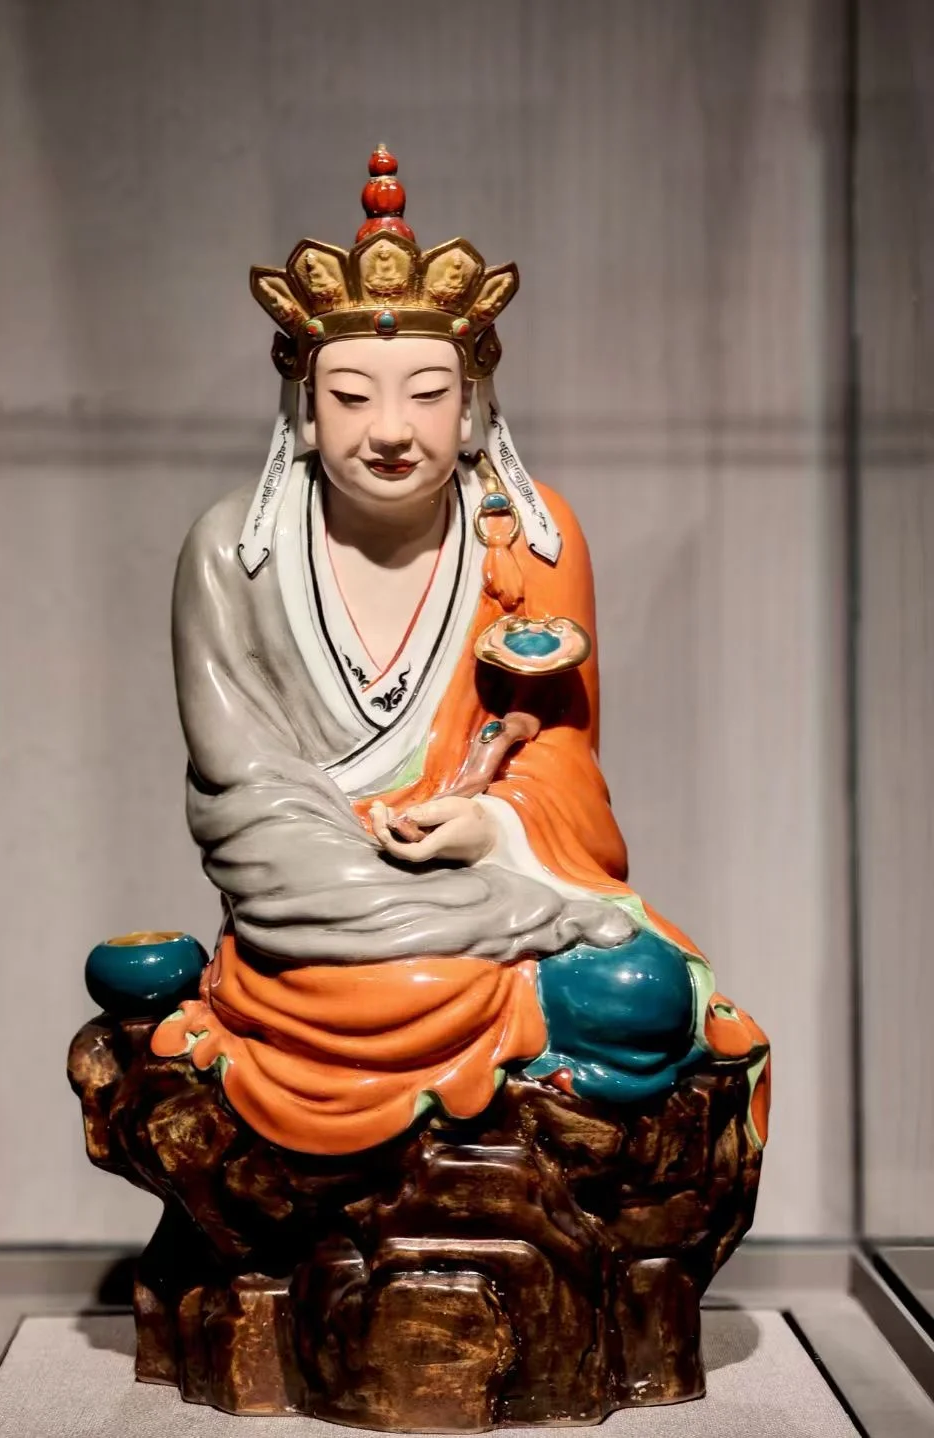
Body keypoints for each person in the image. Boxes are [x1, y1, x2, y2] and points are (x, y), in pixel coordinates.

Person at [152, 147, 769, 1157]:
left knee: (643, 991)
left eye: (427, 394)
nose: (391, 431)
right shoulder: (234, 551)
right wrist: (398, 897)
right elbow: (242, 793)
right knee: (376, 980)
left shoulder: (532, 539)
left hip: (487, 878)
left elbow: (563, 763)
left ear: (473, 399)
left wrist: (489, 825)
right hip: (318, 914)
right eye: (353, 397)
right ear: (305, 405)